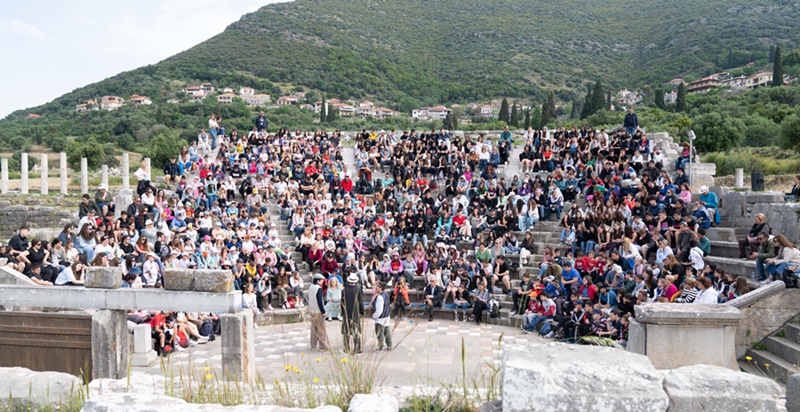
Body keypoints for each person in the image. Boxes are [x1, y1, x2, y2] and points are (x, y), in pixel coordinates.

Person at [341, 273, 364, 354]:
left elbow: (342, 302)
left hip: (346, 312)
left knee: (346, 331)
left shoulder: (344, 290)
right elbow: (361, 302)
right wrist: (362, 311)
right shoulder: (358, 290)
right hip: (355, 313)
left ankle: (346, 348)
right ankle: (357, 349)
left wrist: (342, 312)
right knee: (356, 330)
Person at [307, 273, 330, 351]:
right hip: (318, 311)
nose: (322, 282)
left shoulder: (310, 287)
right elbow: (320, 301)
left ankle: (313, 346)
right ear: (318, 280)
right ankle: (322, 346)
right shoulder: (318, 288)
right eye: (321, 281)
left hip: (312, 311)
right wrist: (323, 311)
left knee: (313, 329)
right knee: (321, 329)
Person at [371, 281, 392, 351]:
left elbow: (379, 310)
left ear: (380, 288)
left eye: (376, 287)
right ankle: (389, 345)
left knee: (380, 333)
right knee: (387, 331)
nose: (375, 288)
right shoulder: (386, 294)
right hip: (386, 316)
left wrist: (374, 316)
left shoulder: (380, 297)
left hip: (380, 318)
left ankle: (380, 346)